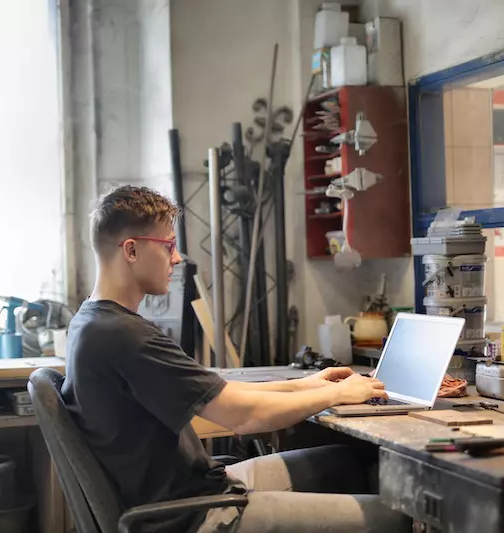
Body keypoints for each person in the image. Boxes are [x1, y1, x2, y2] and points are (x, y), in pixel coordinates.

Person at [61, 185, 410, 532]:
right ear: (132, 250)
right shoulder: (125, 336)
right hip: (194, 516)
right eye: (168, 246)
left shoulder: (92, 323)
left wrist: (305, 384)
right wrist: (337, 394)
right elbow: (244, 417)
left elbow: (223, 394)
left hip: (195, 490)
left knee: (346, 462)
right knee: (393, 519)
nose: (178, 258)